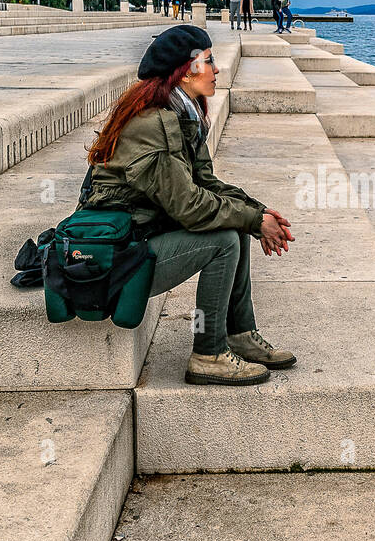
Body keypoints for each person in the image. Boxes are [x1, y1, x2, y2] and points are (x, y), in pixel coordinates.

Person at [83, 24, 297, 385]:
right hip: (115, 257)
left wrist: (258, 214)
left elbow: (206, 184)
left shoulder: (180, 113)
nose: (216, 70)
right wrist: (252, 221)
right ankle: (208, 355)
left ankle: (238, 334)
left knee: (235, 225)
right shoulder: (155, 123)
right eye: (208, 62)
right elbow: (190, 207)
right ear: (185, 72)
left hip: (137, 235)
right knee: (224, 241)